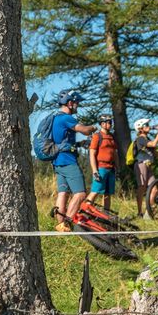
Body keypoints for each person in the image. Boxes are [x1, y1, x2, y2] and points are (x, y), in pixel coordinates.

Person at [50, 89, 96, 232]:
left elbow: (61, 141)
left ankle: (60, 226)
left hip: (57, 160)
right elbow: (84, 130)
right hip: (68, 160)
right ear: (70, 103)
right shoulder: (66, 118)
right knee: (80, 194)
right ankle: (67, 224)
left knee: (63, 193)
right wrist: (93, 127)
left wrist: (79, 144)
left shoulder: (56, 118)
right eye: (77, 103)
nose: (78, 105)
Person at [132, 118, 158, 218]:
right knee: (142, 187)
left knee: (155, 188)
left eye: (148, 124)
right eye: (146, 125)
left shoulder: (147, 139)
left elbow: (154, 152)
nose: (148, 126)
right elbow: (153, 144)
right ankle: (139, 212)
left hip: (148, 165)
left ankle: (148, 212)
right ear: (140, 129)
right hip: (141, 164)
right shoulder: (140, 139)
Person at [87, 114, 117, 211]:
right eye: (108, 122)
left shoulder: (112, 136)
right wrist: (95, 171)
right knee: (95, 191)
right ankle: (84, 210)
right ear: (102, 124)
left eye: (111, 122)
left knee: (107, 193)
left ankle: (106, 214)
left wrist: (117, 166)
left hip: (111, 168)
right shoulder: (97, 136)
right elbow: (92, 154)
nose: (110, 124)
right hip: (101, 168)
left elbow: (114, 153)